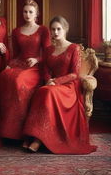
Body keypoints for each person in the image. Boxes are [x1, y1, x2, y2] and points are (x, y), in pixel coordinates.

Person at [22, 16, 96, 154]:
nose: (55, 32)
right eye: (53, 29)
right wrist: (49, 80)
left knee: (48, 92)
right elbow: (45, 69)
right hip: (52, 85)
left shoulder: (74, 48)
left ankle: (38, 141)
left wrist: (56, 82)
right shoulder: (49, 50)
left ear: (65, 30)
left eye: (58, 29)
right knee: (42, 91)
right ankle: (35, 135)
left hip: (69, 87)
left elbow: (74, 74)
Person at [0, 0, 50, 140]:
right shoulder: (16, 31)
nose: (27, 14)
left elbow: (47, 53)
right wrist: (10, 64)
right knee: (5, 75)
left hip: (35, 67)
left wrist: (36, 59)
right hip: (19, 64)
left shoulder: (43, 30)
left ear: (36, 14)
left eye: (30, 12)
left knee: (18, 80)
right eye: (25, 12)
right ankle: (8, 130)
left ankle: (21, 130)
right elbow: (16, 54)